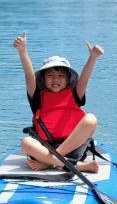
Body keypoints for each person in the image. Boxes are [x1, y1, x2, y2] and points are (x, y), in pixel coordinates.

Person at [14, 31, 104, 173]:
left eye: (60, 76)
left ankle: (50, 162)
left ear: (68, 79)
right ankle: (73, 165)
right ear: (43, 79)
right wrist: (22, 51)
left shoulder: (75, 94)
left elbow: (84, 79)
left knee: (91, 119)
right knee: (26, 142)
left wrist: (93, 57)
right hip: (45, 148)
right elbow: (29, 76)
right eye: (50, 75)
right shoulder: (37, 96)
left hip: (72, 147)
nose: (55, 79)